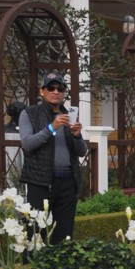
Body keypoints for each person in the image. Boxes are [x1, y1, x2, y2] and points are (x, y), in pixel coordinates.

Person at [17, 72, 86, 244]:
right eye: (51, 88)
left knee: (64, 235)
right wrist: (51, 128)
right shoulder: (29, 113)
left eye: (60, 88)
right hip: (40, 183)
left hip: (67, 182)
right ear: (42, 91)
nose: (56, 92)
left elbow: (81, 152)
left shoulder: (69, 116)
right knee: (36, 235)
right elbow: (28, 144)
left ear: (63, 93)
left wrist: (77, 135)